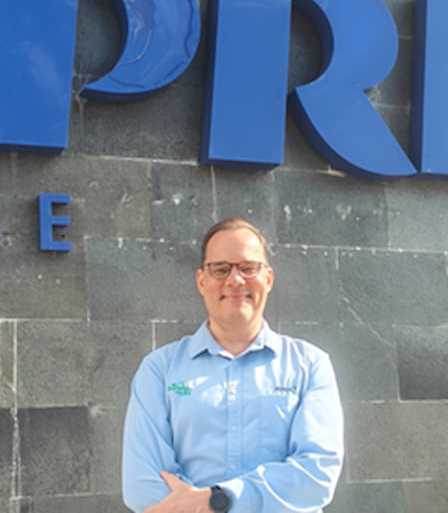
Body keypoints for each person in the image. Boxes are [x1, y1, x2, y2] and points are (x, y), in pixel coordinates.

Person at [121, 217, 344, 512]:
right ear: (202, 281)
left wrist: (220, 499)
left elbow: (316, 477)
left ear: (268, 278)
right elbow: (142, 486)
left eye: (248, 268)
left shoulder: (309, 365)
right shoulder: (159, 370)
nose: (235, 280)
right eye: (220, 269)